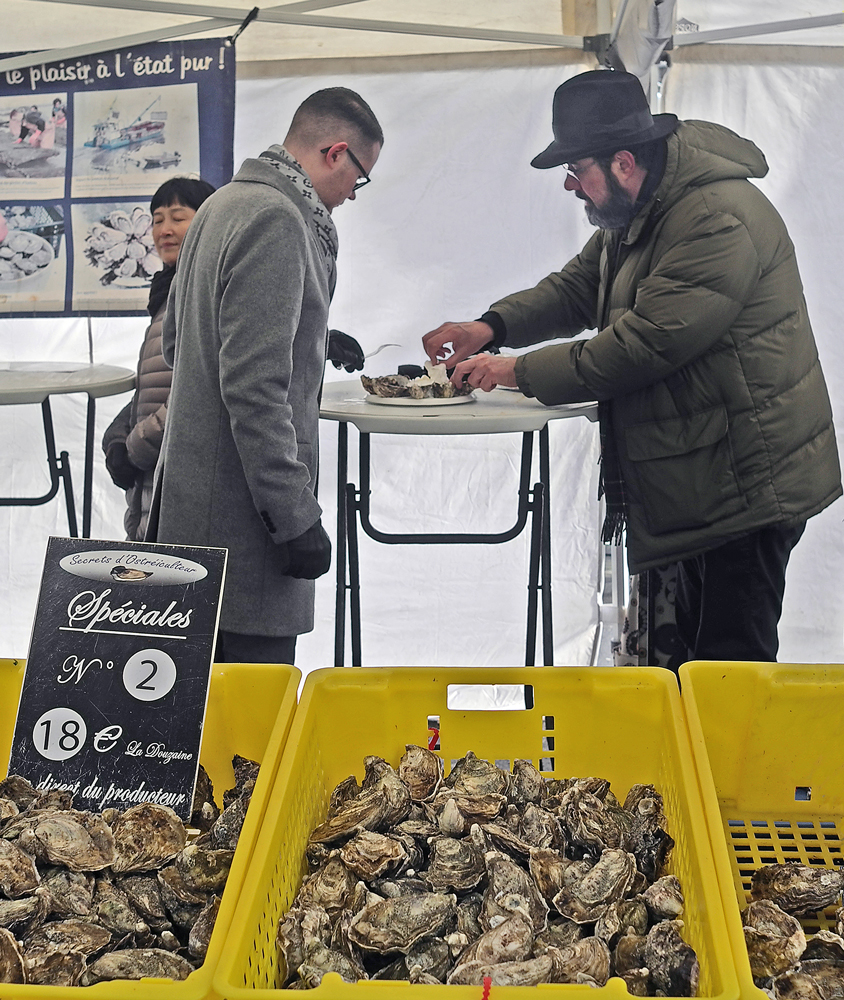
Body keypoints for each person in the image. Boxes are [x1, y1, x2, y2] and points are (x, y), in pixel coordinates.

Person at [423, 69, 841, 665]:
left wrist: (516, 371)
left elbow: (645, 345)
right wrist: (492, 326)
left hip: (745, 489)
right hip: (699, 478)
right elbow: (580, 285)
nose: (570, 185)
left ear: (622, 162)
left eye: (576, 171)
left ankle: (725, 763)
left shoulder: (715, 218)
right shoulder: (644, 208)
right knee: (683, 668)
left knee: (729, 670)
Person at [151, 86, 383, 665]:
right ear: (335, 153)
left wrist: (306, 338)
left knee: (193, 733)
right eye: (360, 176)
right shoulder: (279, 219)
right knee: (249, 741)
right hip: (245, 532)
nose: (354, 194)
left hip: (191, 522)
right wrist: (294, 516)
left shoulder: (222, 205)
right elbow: (254, 390)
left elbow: (184, 343)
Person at [102, 176, 216, 541]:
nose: (164, 230)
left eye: (178, 217)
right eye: (157, 219)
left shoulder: (205, 289)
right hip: (153, 473)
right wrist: (116, 438)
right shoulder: (168, 292)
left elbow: (195, 390)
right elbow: (152, 384)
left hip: (179, 477)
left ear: (208, 220)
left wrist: (134, 447)